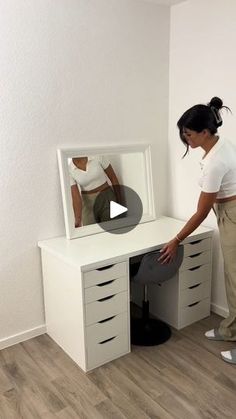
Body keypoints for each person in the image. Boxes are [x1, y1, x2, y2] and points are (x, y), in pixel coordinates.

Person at [159, 96, 236, 364]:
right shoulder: (220, 144)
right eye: (183, 132)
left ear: (205, 132)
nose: (185, 138)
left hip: (232, 215)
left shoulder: (216, 161)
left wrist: (176, 240)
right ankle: (230, 330)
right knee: (231, 277)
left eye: (189, 133)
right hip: (228, 212)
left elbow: (201, 211)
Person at [69, 155, 122, 227]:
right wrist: (77, 220)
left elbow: (113, 178)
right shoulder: (69, 169)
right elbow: (75, 197)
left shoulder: (97, 155)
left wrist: (120, 201)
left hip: (106, 198)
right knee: (90, 233)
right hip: (88, 204)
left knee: (112, 229)